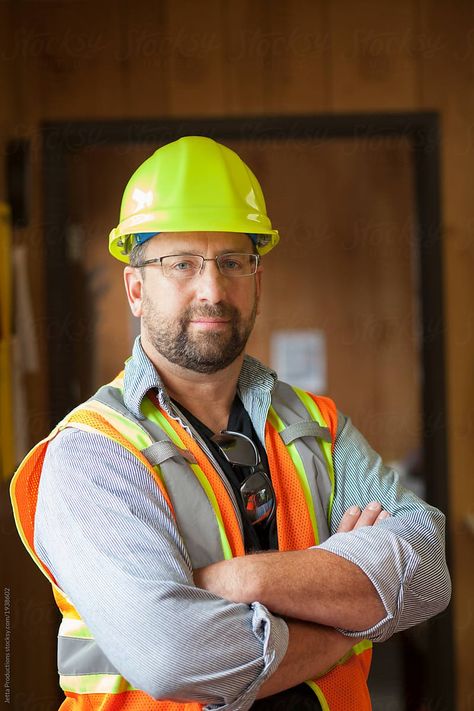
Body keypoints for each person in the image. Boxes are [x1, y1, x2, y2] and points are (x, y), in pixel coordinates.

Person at [10, 136, 451, 710]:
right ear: (136, 288)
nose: (213, 290)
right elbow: (173, 656)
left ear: (257, 281)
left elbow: (426, 570)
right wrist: (348, 615)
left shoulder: (319, 427)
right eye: (182, 264)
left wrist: (241, 580)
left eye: (232, 262)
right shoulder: (94, 452)